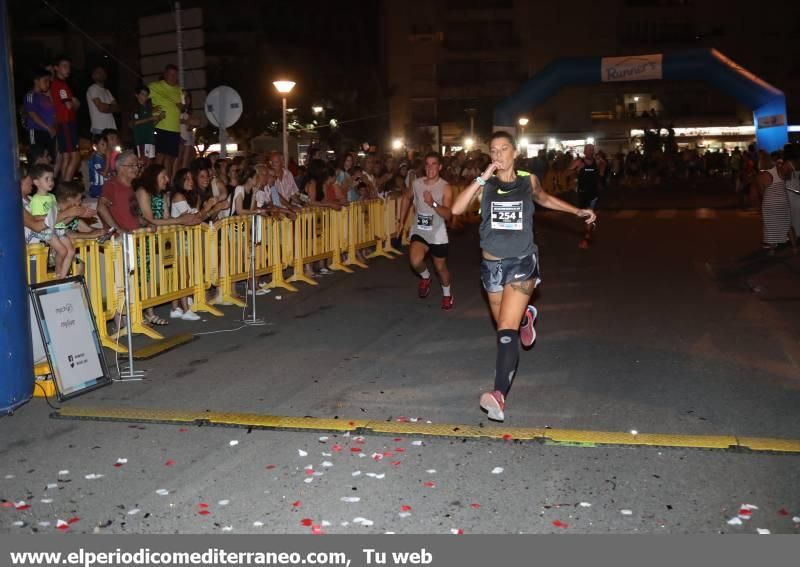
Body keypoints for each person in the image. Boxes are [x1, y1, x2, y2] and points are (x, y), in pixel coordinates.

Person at [451, 132, 596, 422]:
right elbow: (456, 209)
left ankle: (498, 394)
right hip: (491, 265)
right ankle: (528, 314)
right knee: (502, 324)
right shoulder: (486, 184)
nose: (498, 154)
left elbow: (545, 199)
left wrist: (576, 211)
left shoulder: (527, 180)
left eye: (504, 149)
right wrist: (481, 177)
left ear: (515, 153)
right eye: (493, 150)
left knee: (506, 329)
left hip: (521, 261)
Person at [398, 152, 455, 310]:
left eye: (434, 164)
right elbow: (405, 198)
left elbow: (448, 214)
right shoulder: (417, 184)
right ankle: (425, 277)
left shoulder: (445, 187)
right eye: (428, 164)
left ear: (440, 167)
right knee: (415, 261)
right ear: (424, 167)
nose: (430, 167)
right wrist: (401, 221)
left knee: (440, 268)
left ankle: (447, 294)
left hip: (437, 233)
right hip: (420, 230)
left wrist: (433, 204)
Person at [28, 164, 75, 279]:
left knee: (71, 251)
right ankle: (58, 273)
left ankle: (63, 276)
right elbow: (35, 217)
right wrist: (49, 216)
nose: (51, 182)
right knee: (63, 251)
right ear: (36, 182)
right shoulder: (36, 199)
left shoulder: (52, 197)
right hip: (46, 230)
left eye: (52, 178)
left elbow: (57, 213)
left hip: (57, 227)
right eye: (46, 179)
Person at [148, 64, 183, 180]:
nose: (173, 77)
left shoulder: (180, 89)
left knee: (170, 158)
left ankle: (166, 182)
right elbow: (141, 99)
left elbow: (184, 107)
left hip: (175, 129)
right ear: (165, 75)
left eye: (175, 74)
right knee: (160, 155)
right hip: (160, 126)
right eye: (170, 74)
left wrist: (182, 106)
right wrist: (151, 110)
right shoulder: (155, 86)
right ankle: (155, 180)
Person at [567, 143, 605, 249]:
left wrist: (601, 170)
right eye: (588, 150)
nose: (590, 152)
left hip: (593, 193)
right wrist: (576, 170)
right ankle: (590, 227)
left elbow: (602, 169)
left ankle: (586, 238)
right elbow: (566, 173)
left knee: (589, 214)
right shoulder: (579, 162)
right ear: (584, 152)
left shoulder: (597, 162)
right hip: (582, 193)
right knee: (583, 215)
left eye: (592, 150)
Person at [50, 56, 81, 181]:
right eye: (64, 66)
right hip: (67, 122)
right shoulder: (61, 85)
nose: (68, 69)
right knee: (75, 156)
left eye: (69, 66)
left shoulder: (56, 84)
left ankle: (63, 186)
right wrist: (76, 102)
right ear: (56, 68)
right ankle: (66, 188)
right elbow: (69, 105)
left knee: (66, 157)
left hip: (62, 123)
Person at [756, 153, 792, 255]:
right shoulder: (779, 170)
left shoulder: (761, 176)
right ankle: (794, 246)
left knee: (770, 225)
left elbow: (762, 193)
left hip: (770, 203)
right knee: (787, 224)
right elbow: (787, 182)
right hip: (783, 201)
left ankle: (772, 249)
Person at [23, 67, 57, 161]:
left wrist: (53, 128)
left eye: (49, 81)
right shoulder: (31, 96)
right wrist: (48, 127)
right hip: (36, 131)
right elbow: (32, 115)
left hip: (50, 133)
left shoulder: (46, 98)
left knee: (49, 159)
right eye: (45, 81)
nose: (48, 84)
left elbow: (54, 115)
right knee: (37, 158)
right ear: (36, 81)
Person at [131, 86, 162, 163]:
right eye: (142, 94)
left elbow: (151, 125)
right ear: (136, 95)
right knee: (143, 161)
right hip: (142, 139)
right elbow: (134, 123)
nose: (144, 97)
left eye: (146, 95)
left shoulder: (148, 109)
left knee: (149, 162)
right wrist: (150, 118)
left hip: (150, 139)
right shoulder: (135, 108)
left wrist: (159, 118)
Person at [86, 65, 118, 135]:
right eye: (98, 72)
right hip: (99, 128)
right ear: (93, 76)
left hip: (111, 127)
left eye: (103, 72)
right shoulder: (92, 89)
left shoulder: (107, 91)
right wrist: (111, 107)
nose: (101, 74)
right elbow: (101, 108)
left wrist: (107, 107)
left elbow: (117, 107)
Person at [88, 134, 110, 198]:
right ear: (95, 146)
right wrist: (108, 159)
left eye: (106, 145)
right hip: (97, 187)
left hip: (103, 186)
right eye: (102, 144)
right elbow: (104, 173)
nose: (105, 147)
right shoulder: (95, 159)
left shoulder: (102, 157)